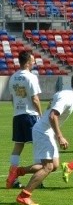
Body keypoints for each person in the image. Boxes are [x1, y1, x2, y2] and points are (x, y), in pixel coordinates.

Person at [14, 71, 73, 205]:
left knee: (54, 165)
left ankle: (19, 171)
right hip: (43, 131)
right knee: (48, 167)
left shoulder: (66, 94)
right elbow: (52, 116)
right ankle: (24, 195)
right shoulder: (67, 97)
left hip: (44, 130)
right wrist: (60, 136)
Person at [6, 50, 42, 189]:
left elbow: (12, 98)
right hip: (30, 114)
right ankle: (38, 179)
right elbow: (35, 98)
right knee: (38, 145)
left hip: (18, 115)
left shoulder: (13, 77)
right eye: (32, 60)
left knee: (18, 145)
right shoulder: (31, 77)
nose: (34, 62)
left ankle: (12, 177)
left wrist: (17, 110)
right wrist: (40, 114)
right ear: (27, 62)